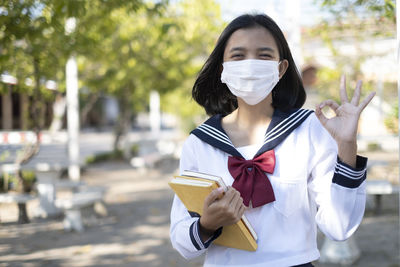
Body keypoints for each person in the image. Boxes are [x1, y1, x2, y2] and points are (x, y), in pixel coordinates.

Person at [169, 13, 375, 267]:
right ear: (223, 69)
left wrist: (347, 146)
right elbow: (182, 242)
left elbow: (339, 227)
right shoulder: (200, 143)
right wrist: (206, 224)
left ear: (281, 68)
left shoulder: (308, 129)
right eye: (238, 55)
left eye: (264, 55)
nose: (251, 64)